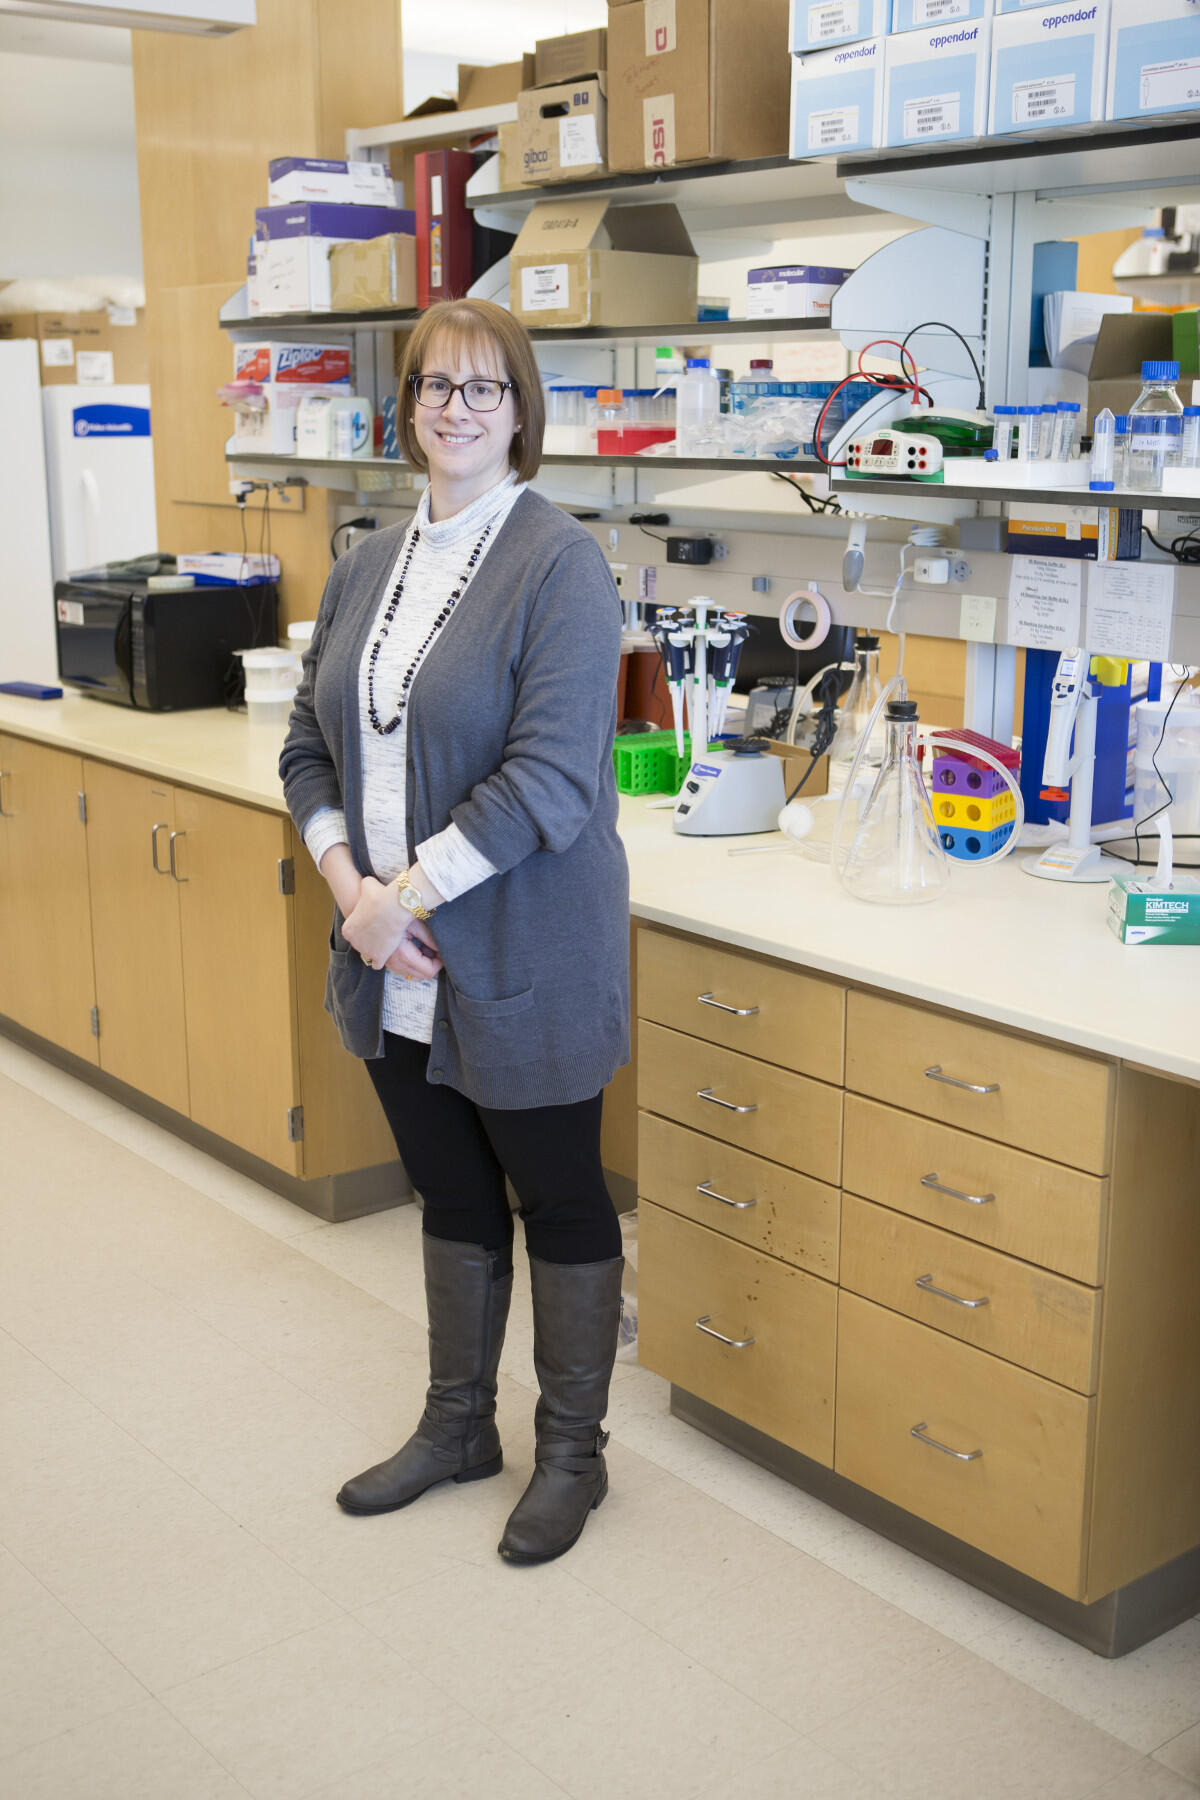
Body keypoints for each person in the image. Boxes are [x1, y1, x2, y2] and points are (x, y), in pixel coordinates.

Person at [279, 298, 629, 1565]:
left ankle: (576, 1454)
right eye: (434, 385)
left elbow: (549, 783)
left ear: (521, 411)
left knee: (560, 1194)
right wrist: (351, 900)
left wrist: (397, 904)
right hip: (388, 954)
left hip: (517, 949)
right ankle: (457, 1425)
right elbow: (308, 744)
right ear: (407, 405)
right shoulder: (368, 561)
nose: (456, 409)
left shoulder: (559, 564)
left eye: (483, 389)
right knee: (449, 1187)